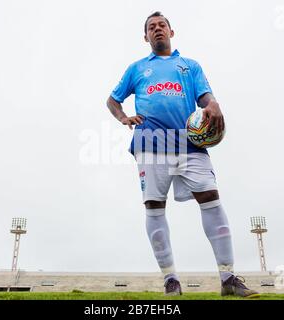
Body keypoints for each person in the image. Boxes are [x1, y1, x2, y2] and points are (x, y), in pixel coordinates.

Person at [106, 11, 259, 298]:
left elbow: (205, 97)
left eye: (162, 25)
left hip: (190, 144)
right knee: (154, 206)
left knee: (211, 198)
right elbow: (112, 100)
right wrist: (123, 117)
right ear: (146, 37)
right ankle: (170, 280)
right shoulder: (137, 69)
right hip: (150, 143)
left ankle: (228, 278)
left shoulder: (189, 66)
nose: (157, 29)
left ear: (171, 32)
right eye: (151, 27)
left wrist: (213, 103)